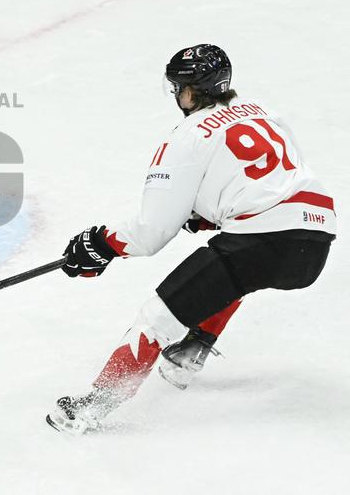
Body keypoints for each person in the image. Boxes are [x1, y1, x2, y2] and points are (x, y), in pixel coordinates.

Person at [47, 44, 336, 434]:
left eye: (178, 87)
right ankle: (190, 353)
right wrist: (211, 215)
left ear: (193, 91)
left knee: (157, 317)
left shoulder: (186, 136)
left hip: (263, 239)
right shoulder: (263, 112)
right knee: (237, 270)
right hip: (317, 237)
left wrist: (101, 244)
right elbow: (273, 184)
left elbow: (151, 232)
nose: (176, 95)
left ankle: (93, 407)